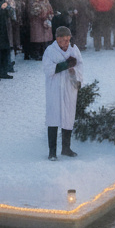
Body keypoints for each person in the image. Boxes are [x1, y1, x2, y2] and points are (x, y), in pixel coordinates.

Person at [43, 26, 83, 161]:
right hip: (54, 88)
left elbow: (80, 65)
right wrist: (65, 65)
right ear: (57, 39)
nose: (66, 43)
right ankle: (52, 151)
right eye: (63, 40)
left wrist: (75, 74)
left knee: (69, 116)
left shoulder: (74, 49)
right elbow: (48, 69)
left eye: (68, 40)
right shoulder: (50, 51)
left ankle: (66, 148)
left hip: (69, 87)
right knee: (53, 117)